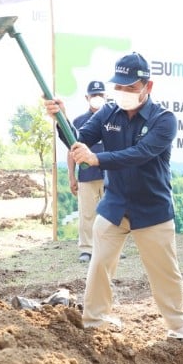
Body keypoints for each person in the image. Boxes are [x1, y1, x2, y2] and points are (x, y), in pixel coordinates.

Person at [44, 52, 183, 340]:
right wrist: (61, 119)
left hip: (152, 208)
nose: (124, 93)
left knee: (165, 272)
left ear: (147, 87)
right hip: (114, 205)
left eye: (131, 87)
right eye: (120, 87)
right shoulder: (108, 113)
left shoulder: (164, 119)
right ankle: (95, 319)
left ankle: (179, 326)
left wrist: (97, 160)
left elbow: (140, 154)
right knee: (99, 265)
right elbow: (78, 140)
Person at [70, 81, 107, 263]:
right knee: (87, 214)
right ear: (87, 97)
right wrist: (71, 175)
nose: (97, 98)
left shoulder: (114, 120)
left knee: (111, 214)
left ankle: (110, 248)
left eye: (100, 94)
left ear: (106, 96)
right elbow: (72, 150)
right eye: (93, 95)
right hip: (86, 176)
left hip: (110, 175)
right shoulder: (79, 122)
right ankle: (87, 249)